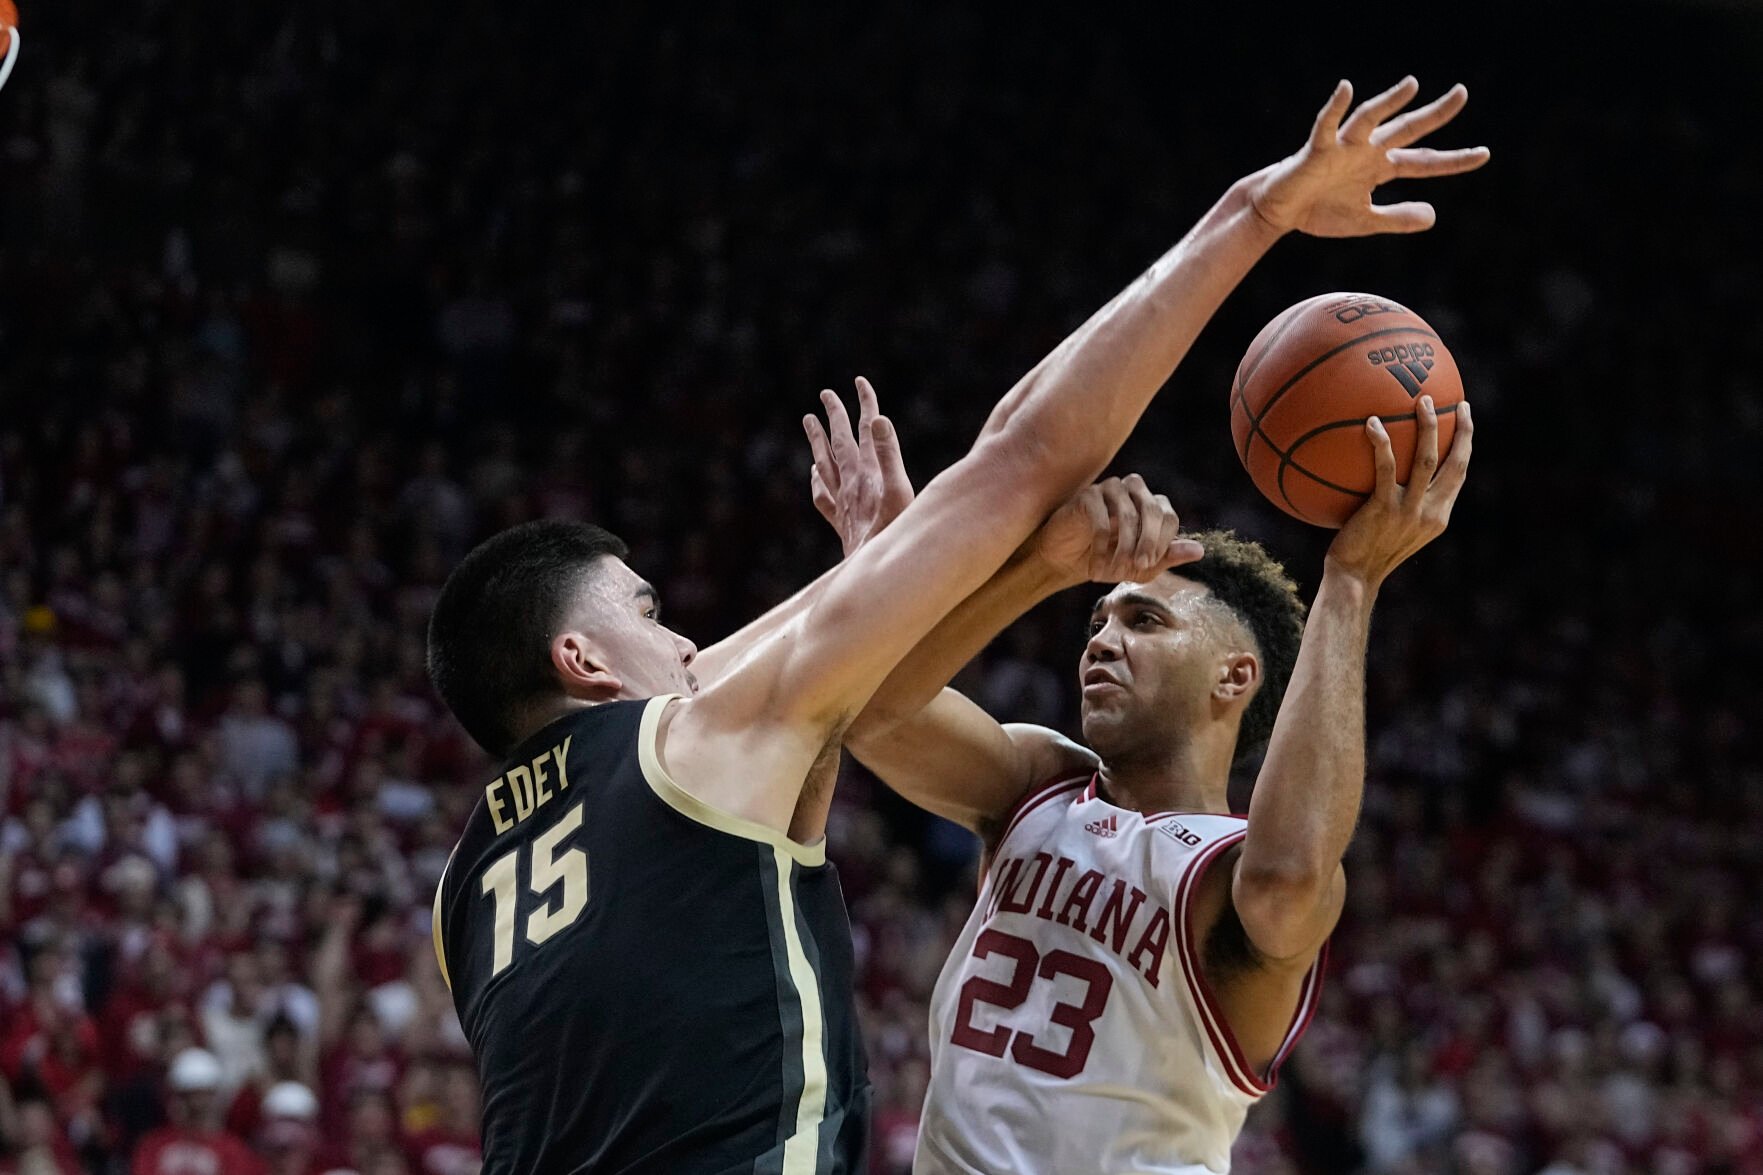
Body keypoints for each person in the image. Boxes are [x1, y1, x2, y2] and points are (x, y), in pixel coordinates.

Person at [426, 76, 1486, 1174]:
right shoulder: (730, 743)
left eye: (1143, 616)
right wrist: (1251, 212)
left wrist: (901, 568)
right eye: (651, 615)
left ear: (1234, 675)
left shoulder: (466, 894)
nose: (692, 642)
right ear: (583, 658)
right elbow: (1012, 469)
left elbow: (842, 698)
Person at [806, 359, 1474, 1168]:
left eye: (1144, 619)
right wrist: (1011, 568)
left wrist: (1352, 577)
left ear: (1233, 676)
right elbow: (872, 708)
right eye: (1097, 615)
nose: (1100, 638)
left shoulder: (1230, 872)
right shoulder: (1035, 779)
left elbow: (1290, 871)